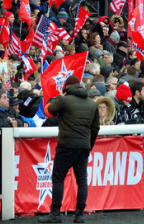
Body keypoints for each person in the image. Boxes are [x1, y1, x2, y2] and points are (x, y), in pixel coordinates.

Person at [40, 75, 100, 223]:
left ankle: (55, 213)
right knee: (81, 180)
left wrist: (56, 98)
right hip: (83, 146)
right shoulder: (92, 104)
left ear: (66, 88)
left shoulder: (63, 100)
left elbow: (48, 112)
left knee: (58, 178)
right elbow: (96, 128)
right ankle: (79, 215)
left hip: (66, 145)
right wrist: (89, 145)